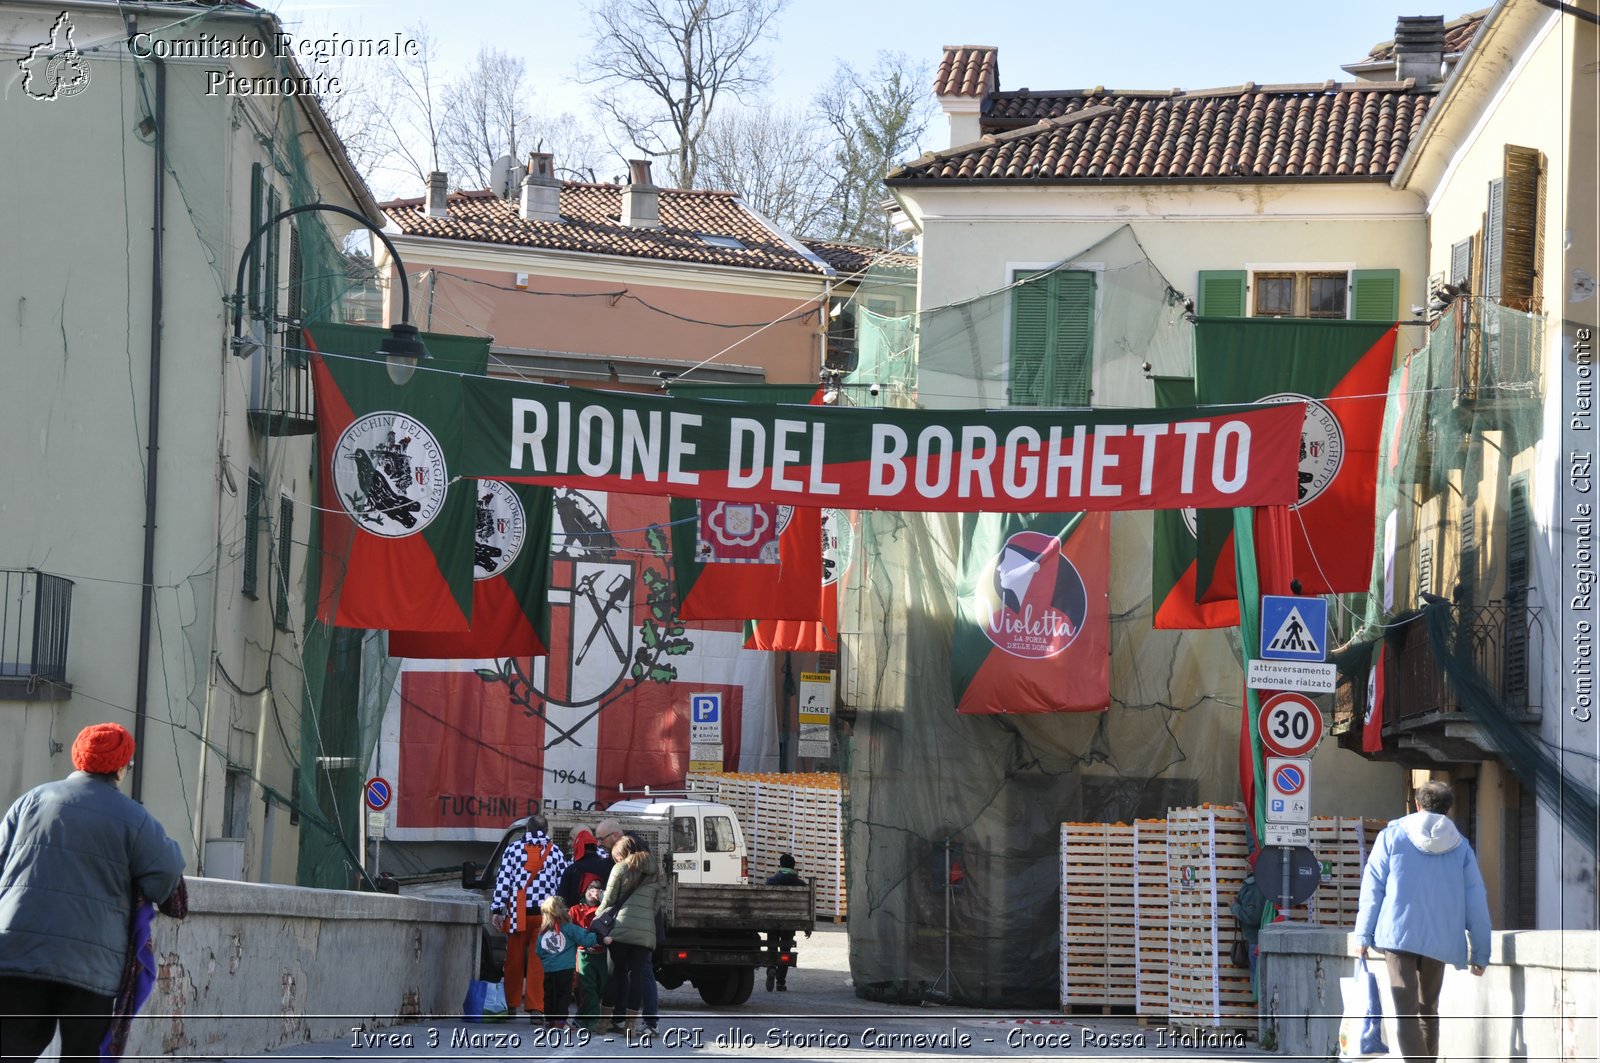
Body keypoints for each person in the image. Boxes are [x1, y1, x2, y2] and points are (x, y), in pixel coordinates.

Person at [0, 722, 185, 1063]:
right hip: (91, 966)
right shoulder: (135, 819)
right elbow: (167, 876)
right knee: (82, 1056)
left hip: (17, 952)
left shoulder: (30, 801)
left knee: (10, 1051)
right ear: (120, 767)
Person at [1355, 780, 1491, 1063]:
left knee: (1406, 1014)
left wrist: (1363, 935)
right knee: (1429, 1011)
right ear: (1449, 810)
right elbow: (1475, 899)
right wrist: (1480, 952)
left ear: (1417, 805)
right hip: (1440, 940)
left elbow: (1373, 887)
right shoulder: (1461, 846)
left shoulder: (1392, 835)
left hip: (1397, 934)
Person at [490, 811, 569, 1022]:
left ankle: (511, 1004)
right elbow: (563, 883)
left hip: (518, 911)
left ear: (527, 830)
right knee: (539, 962)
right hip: (546, 914)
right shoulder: (555, 852)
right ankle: (536, 1008)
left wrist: (497, 910)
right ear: (545, 831)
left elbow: (503, 881)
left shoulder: (513, 850)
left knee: (513, 960)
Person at [597, 833, 662, 1037]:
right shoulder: (656, 871)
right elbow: (657, 904)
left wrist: (597, 918)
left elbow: (608, 901)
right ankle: (630, 1028)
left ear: (623, 853)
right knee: (637, 978)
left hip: (621, 929)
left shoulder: (620, 868)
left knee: (614, 975)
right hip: (645, 933)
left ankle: (603, 1024)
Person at [534, 895, 596, 1027]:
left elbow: (538, 951)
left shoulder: (543, 932)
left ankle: (549, 1020)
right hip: (565, 968)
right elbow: (585, 939)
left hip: (549, 969)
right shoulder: (569, 928)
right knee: (564, 994)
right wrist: (598, 936)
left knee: (550, 994)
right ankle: (560, 1021)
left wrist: (547, 960)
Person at [567, 881, 609, 1032]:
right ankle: (594, 1021)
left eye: (598, 888)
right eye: (591, 888)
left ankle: (580, 1020)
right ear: (584, 891)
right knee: (587, 988)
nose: (594, 892)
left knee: (599, 988)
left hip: (602, 954)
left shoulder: (604, 910)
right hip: (584, 954)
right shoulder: (575, 910)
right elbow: (569, 932)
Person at [764, 853, 805, 991]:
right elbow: (805, 908)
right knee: (785, 951)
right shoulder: (801, 884)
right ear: (794, 867)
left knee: (772, 946)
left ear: (781, 866)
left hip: (773, 921)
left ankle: (771, 968)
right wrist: (807, 927)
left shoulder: (771, 882)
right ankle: (780, 982)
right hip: (790, 923)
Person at [557, 829, 611, 907]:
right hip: (602, 916)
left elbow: (562, 900)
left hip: (575, 917)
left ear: (578, 848)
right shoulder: (607, 866)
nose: (569, 844)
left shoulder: (571, 870)